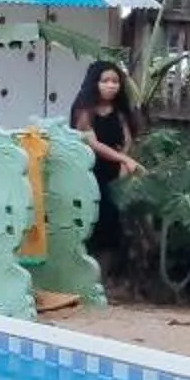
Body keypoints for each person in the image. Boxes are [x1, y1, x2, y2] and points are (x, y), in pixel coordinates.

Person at [69, 59, 146, 258]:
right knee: (92, 223)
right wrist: (123, 159)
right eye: (105, 81)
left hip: (115, 175)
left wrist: (124, 163)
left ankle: (107, 276)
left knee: (113, 226)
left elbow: (128, 140)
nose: (111, 86)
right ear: (94, 83)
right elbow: (92, 143)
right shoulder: (84, 111)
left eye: (115, 81)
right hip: (90, 173)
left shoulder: (120, 113)